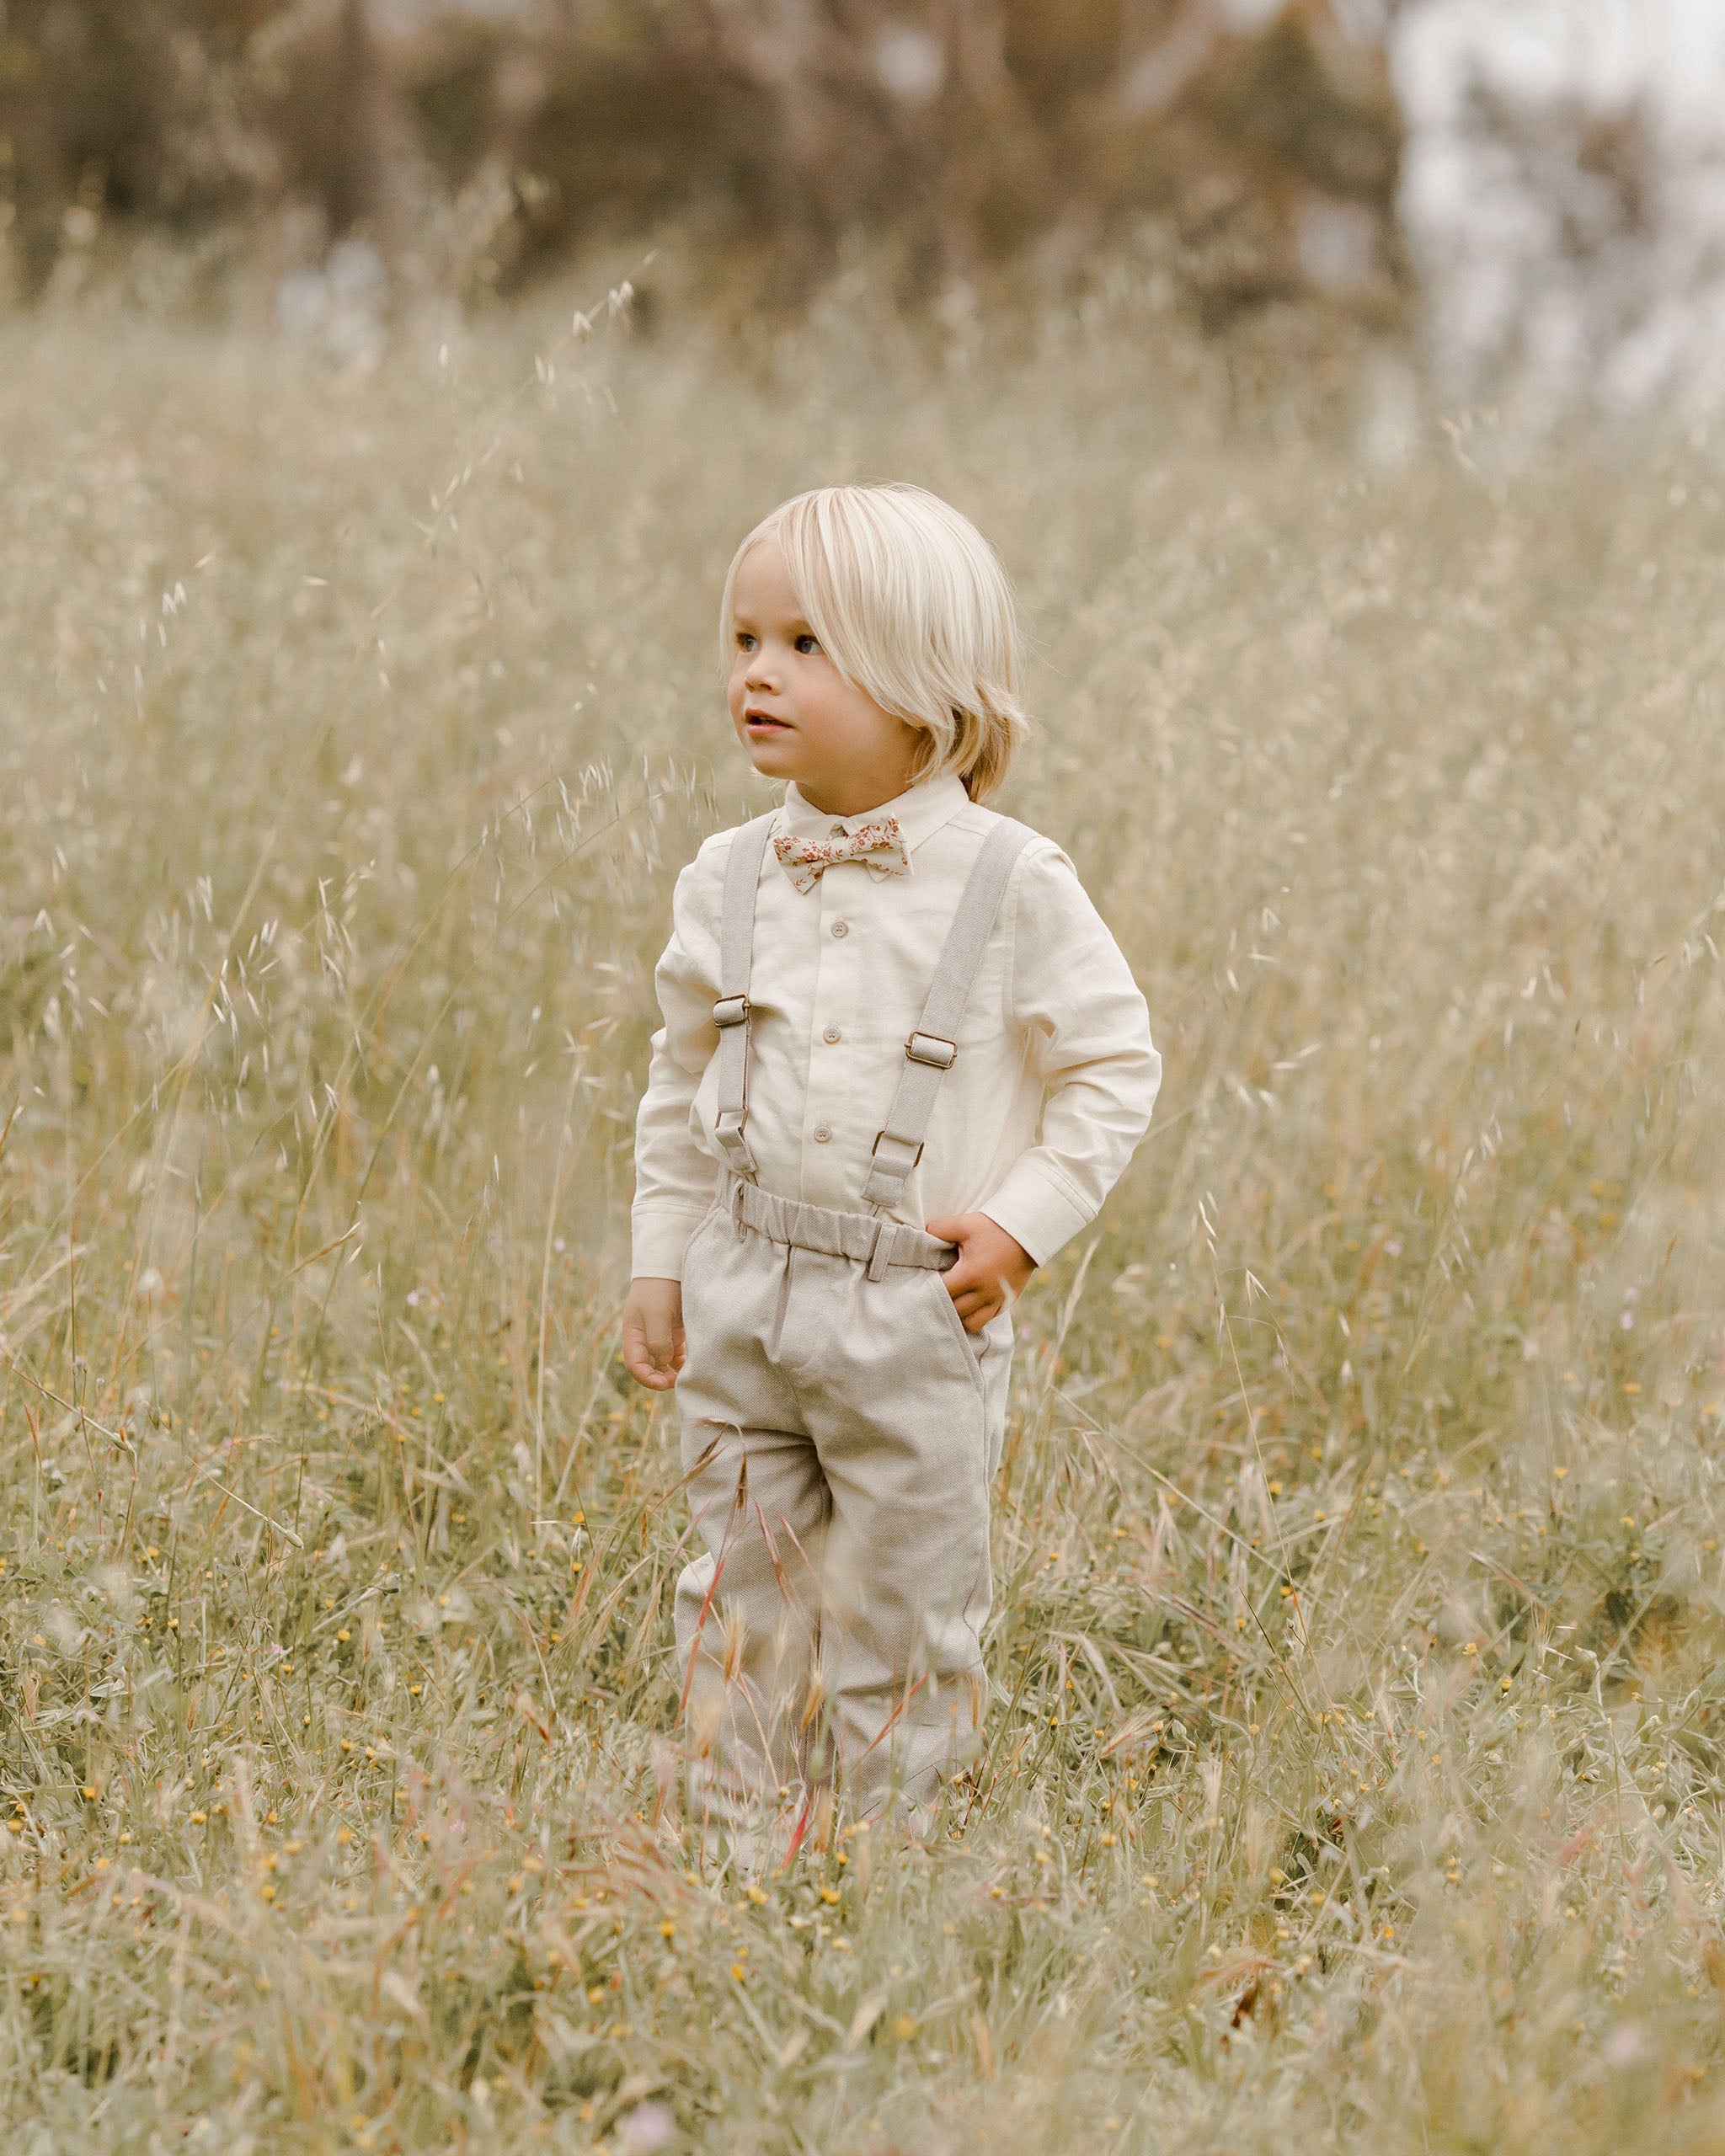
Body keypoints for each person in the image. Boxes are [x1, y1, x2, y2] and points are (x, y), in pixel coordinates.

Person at [622, 483, 1161, 1844]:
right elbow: (682, 1082)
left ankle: (886, 1873)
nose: (757, 671)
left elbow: (1111, 1069)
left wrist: (1024, 1224)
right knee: (737, 1588)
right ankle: (733, 1852)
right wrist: (659, 1264)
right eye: (745, 639)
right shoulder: (726, 876)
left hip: (914, 1305)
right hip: (742, 1280)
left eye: (809, 644)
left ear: (925, 679)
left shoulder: (1013, 880)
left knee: (908, 1616)